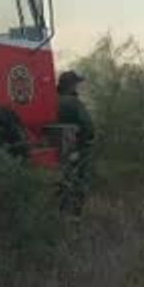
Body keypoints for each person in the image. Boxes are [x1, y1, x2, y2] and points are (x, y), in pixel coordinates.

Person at [56, 70, 96, 216]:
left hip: (57, 149)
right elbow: (88, 127)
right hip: (76, 149)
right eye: (76, 84)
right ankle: (75, 217)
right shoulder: (74, 103)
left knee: (62, 182)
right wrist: (85, 142)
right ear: (71, 86)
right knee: (79, 184)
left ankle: (60, 212)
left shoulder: (52, 99)